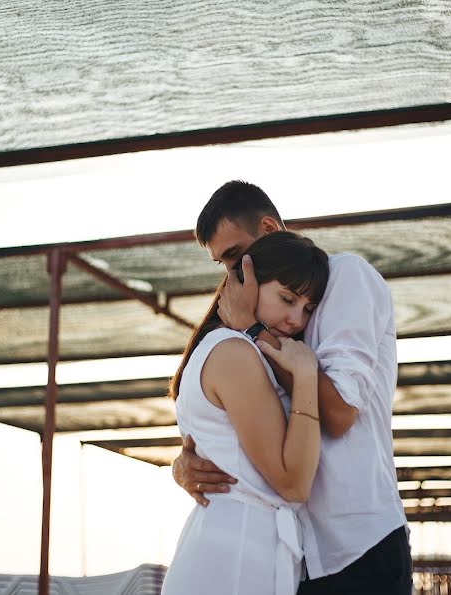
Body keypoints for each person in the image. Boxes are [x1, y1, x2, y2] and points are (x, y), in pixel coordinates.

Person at [172, 180, 411, 595]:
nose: (231, 273)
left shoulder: (345, 276)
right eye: (223, 265)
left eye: (234, 256)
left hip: (359, 544)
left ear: (267, 229)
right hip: (293, 555)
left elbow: (338, 416)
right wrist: (183, 466)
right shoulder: (248, 328)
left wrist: (254, 330)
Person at [161, 231, 330, 595]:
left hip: (242, 545)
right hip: (234, 554)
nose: (296, 319)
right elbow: (293, 483)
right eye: (287, 299)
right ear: (246, 284)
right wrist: (305, 377)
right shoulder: (234, 354)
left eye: (308, 309)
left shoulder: (242, 351)